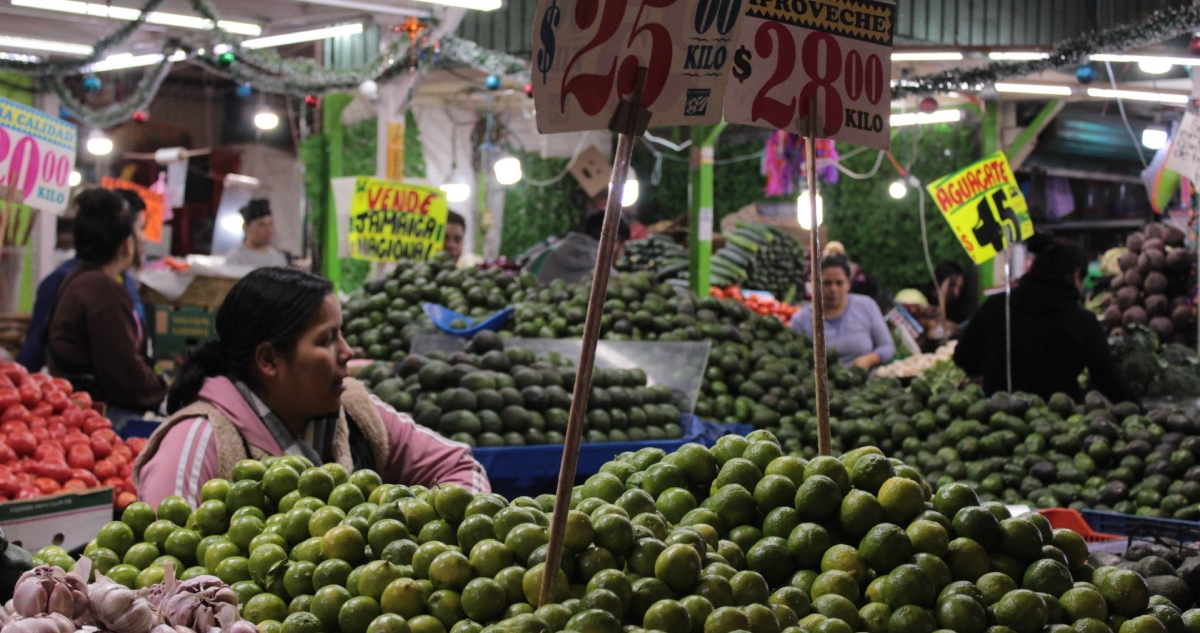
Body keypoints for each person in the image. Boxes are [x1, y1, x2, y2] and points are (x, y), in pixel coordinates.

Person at [133, 267, 489, 507]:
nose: (348, 352)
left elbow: (461, 467)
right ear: (269, 360)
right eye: (328, 338)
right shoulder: (197, 443)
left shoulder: (356, 412)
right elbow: (159, 584)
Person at [954, 236, 1135, 402]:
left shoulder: (998, 305)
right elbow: (1110, 381)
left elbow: (963, 356)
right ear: (1076, 275)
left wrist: (996, 371)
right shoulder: (1081, 320)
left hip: (997, 421)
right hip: (1057, 425)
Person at [45, 188, 165, 422]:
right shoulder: (101, 290)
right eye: (140, 230)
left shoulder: (80, 280)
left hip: (84, 410)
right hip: (102, 416)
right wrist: (166, 394)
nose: (144, 238)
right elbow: (124, 372)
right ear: (126, 244)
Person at [18, 189, 147, 371]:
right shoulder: (62, 281)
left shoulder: (125, 283)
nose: (145, 238)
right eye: (141, 228)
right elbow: (32, 356)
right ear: (126, 240)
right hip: (85, 396)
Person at [792, 255, 894, 370]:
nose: (833, 289)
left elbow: (887, 346)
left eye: (839, 283)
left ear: (848, 283)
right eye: (827, 283)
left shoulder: (866, 306)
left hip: (866, 381)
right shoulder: (801, 320)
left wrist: (868, 360)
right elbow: (794, 359)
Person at [536, 208, 630, 285]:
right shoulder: (606, 276)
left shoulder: (551, 257)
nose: (622, 251)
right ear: (613, 240)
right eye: (622, 244)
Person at [224, 199, 288, 268]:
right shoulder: (236, 258)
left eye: (270, 224)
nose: (268, 230)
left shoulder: (277, 257)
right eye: (261, 225)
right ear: (246, 227)